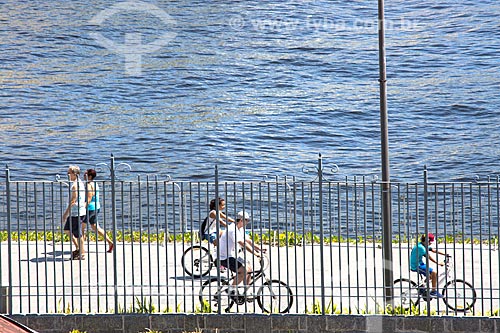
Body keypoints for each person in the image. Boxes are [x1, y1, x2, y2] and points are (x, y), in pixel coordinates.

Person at [219, 211, 265, 291]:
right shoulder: (232, 229)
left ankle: (245, 292)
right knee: (243, 271)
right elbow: (242, 243)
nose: (247, 222)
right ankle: (231, 290)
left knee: (249, 269)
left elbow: (248, 241)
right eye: (247, 220)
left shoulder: (240, 228)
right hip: (223, 257)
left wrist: (259, 248)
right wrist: (255, 254)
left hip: (233, 255)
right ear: (241, 220)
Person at [82, 169, 114, 253]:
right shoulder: (95, 184)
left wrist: (83, 207)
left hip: (89, 208)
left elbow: (89, 197)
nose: (83, 176)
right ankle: (110, 242)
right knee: (95, 226)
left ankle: (81, 248)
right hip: (96, 206)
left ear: (89, 176)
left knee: (81, 228)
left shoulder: (89, 185)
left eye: (85, 174)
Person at [409, 233, 448, 298]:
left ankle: (422, 287)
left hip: (420, 264)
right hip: (416, 266)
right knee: (434, 273)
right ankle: (433, 291)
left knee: (432, 276)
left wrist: (445, 254)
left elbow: (433, 250)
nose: (431, 243)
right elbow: (428, 257)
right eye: (430, 242)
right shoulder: (421, 248)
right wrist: (438, 263)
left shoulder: (422, 244)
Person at [62, 165, 86, 260]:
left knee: (78, 233)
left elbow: (73, 200)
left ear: (74, 174)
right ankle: (78, 248)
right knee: (67, 230)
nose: (68, 174)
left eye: (69, 173)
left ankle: (82, 252)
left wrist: (65, 213)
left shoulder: (75, 185)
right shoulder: (77, 183)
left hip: (76, 212)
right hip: (76, 212)